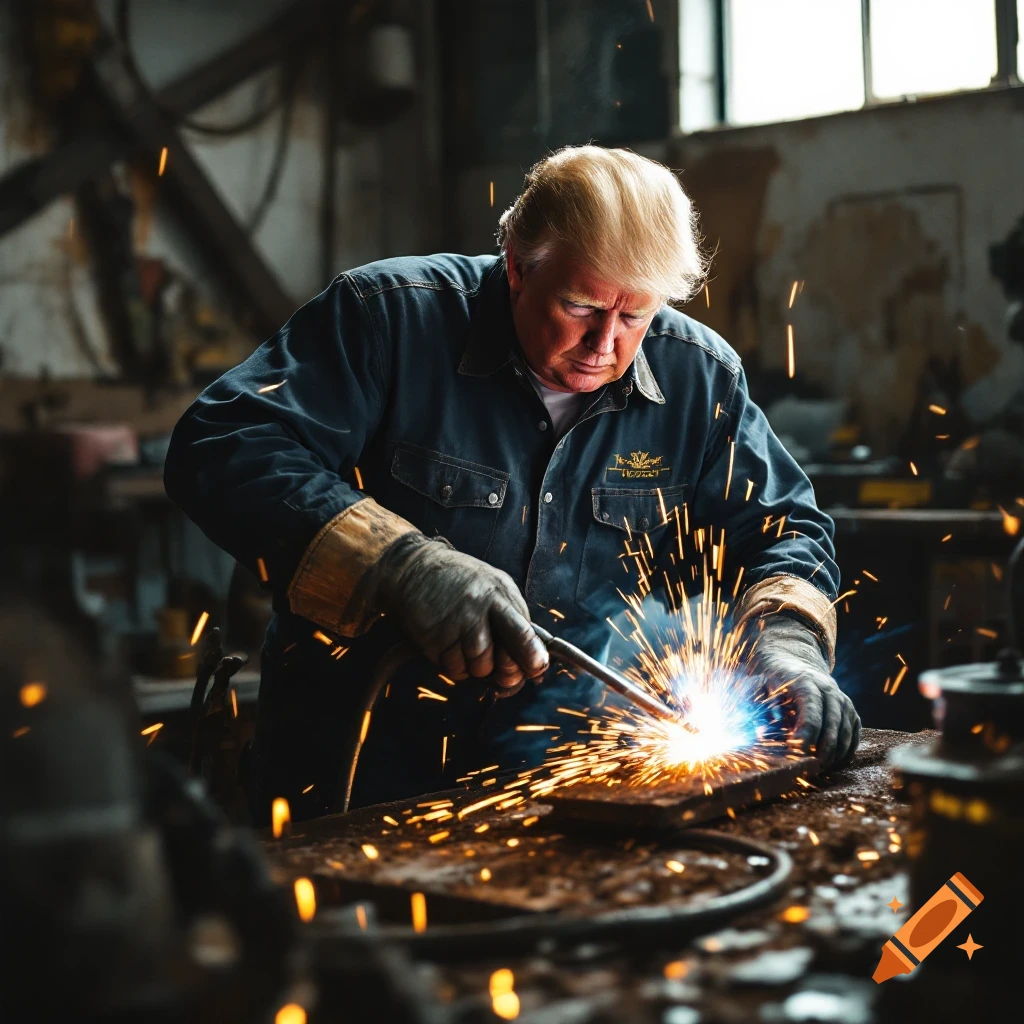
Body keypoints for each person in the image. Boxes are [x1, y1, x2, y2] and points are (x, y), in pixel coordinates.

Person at [165, 145, 860, 825]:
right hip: (356, 776)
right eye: (582, 307)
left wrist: (787, 643)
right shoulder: (387, 319)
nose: (605, 344)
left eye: (635, 318)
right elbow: (222, 445)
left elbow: (784, 532)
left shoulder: (699, 379)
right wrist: (400, 565)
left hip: (577, 787)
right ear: (518, 267)